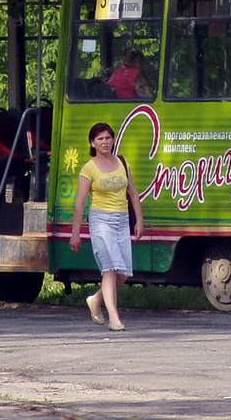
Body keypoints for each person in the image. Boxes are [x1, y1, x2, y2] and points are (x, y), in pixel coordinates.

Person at [69, 122, 143, 331]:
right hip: (100, 221)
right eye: (100, 138)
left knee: (124, 272)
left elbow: (133, 193)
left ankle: (96, 300)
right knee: (109, 268)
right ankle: (114, 318)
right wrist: (75, 235)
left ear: (113, 140)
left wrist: (139, 220)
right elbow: (80, 204)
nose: (105, 142)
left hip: (122, 220)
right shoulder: (89, 169)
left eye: (108, 137)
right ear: (92, 143)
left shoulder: (121, 162)